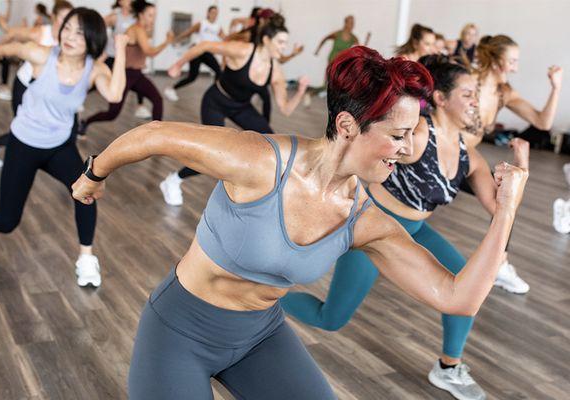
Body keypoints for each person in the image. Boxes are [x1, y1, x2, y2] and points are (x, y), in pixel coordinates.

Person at [71, 45, 527, 400]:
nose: (409, 150)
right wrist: (94, 175)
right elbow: (153, 135)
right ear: (348, 125)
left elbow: (459, 298)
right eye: (397, 135)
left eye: (412, 134)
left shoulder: (365, 220)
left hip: (260, 336)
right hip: (179, 332)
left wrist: (504, 211)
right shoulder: (261, 161)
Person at [281, 55, 530, 400]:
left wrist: (521, 170)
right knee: (331, 319)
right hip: (374, 228)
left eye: (477, 94)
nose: (477, 101)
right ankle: (270, 302)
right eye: (469, 94)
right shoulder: (416, 132)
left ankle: (448, 367)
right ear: (441, 99)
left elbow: (500, 207)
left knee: (466, 282)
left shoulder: (466, 156)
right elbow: (361, 142)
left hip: (415, 229)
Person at [0, 7, 127, 288]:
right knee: (7, 222)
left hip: (58, 147)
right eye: (67, 28)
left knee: (85, 192)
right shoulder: (42, 54)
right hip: (23, 144)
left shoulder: (94, 69)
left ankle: (86, 259)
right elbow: (12, 46)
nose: (69, 36)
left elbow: (114, 94)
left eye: (79, 32)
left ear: (92, 39)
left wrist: (122, 49)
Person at [160, 14, 309, 206]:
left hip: (241, 107)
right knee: (213, 154)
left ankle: (259, 192)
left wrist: (300, 91)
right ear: (266, 40)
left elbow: (285, 108)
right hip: (216, 101)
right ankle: (173, 180)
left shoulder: (276, 71)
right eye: (280, 42)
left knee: (272, 145)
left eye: (285, 43)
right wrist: (178, 64)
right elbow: (205, 45)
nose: (284, 47)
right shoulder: (243, 51)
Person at [463, 34, 563, 293]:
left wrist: (556, 88)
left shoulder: (503, 92)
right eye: (512, 61)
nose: (516, 67)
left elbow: (542, 123)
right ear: (496, 60)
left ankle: (498, 266)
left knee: (503, 204)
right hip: (445, 152)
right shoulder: (468, 82)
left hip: (468, 159)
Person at [0, 0, 74, 168]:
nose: (67, 23)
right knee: (25, 128)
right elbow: (13, 34)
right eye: (63, 18)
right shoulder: (40, 33)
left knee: (43, 129)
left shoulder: (70, 37)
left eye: (70, 18)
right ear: (53, 17)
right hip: (25, 86)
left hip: (45, 92)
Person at [78, 0, 173, 136]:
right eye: (150, 15)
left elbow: (140, 52)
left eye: (154, 15)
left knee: (157, 100)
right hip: (127, 74)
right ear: (141, 15)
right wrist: (167, 41)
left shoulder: (142, 29)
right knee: (112, 114)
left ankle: (156, 135)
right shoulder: (137, 29)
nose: (153, 19)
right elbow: (150, 52)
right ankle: (85, 121)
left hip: (137, 74)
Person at [163, 5, 225, 102]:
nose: (214, 15)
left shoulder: (218, 27)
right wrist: (175, 40)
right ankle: (171, 89)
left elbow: (225, 38)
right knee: (192, 77)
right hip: (196, 51)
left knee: (218, 71)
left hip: (207, 52)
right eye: (212, 12)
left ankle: (216, 95)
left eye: (216, 13)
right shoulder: (202, 24)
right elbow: (188, 32)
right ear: (208, 13)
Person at [310, 15, 370, 97]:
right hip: (332, 59)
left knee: (339, 80)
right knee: (329, 81)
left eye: (353, 23)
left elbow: (360, 49)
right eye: (350, 23)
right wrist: (318, 50)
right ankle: (312, 93)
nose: (352, 25)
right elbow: (325, 38)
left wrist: (366, 43)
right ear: (345, 23)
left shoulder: (353, 38)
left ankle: (322, 93)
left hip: (342, 61)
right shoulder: (337, 34)